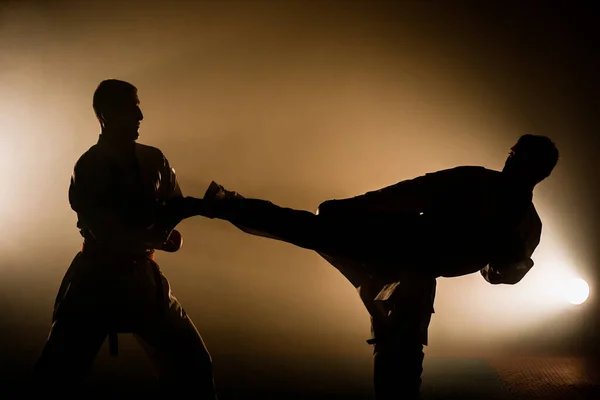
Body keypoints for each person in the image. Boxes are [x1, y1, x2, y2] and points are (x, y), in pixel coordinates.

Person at [193, 134, 558, 399]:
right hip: (393, 241)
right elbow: (410, 192)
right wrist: (352, 207)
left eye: (521, 160)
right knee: (305, 228)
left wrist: (509, 262)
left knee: (402, 346)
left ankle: (225, 204)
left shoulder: (525, 226)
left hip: (414, 269)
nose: (512, 163)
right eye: (513, 155)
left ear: (538, 173)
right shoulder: (479, 184)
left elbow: (496, 274)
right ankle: (224, 204)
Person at [32, 79, 216, 398]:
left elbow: (171, 214)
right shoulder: (89, 167)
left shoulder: (154, 161)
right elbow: (108, 232)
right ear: (106, 114)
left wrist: (178, 223)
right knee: (55, 377)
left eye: (137, 105)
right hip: (96, 280)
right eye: (132, 106)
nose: (140, 115)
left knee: (193, 365)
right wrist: (158, 234)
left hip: (141, 279)